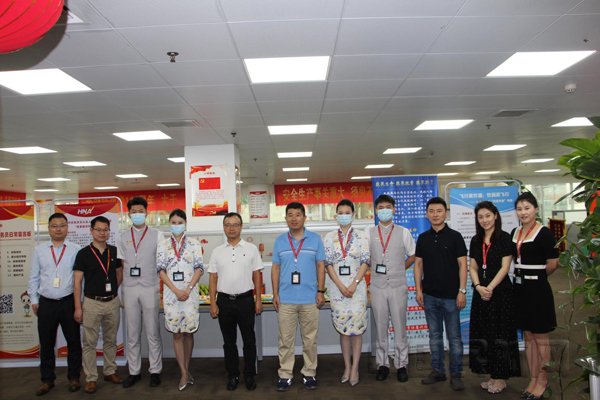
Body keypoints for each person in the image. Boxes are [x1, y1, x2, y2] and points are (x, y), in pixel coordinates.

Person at [272, 202, 326, 391]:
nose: (294, 218)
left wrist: (320, 291)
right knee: (285, 340)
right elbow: (275, 268)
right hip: (286, 299)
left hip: (310, 299)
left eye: (297, 214)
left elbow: (320, 266)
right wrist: (275, 293)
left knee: (310, 340)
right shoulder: (279, 241)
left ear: (304, 218)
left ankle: (309, 372)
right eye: (290, 215)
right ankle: (285, 374)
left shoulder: (315, 240)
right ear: (285, 218)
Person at [415, 197, 468, 391]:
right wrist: (418, 289)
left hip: (451, 297)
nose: (435, 214)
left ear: (446, 213)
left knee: (454, 337)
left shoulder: (455, 236)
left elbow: (463, 265)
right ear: (426, 214)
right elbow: (418, 265)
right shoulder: (423, 238)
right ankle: (438, 371)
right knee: (435, 336)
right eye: (431, 211)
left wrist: (462, 291)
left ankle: (456, 373)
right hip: (429, 295)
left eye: (439, 211)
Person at [468, 201, 521, 394]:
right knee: (485, 334)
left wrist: (489, 288)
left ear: (496, 216)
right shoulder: (476, 240)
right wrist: (478, 287)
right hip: (481, 293)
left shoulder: (505, 238)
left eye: (488, 216)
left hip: (500, 293)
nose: (485, 220)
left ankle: (501, 378)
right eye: (481, 217)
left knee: (500, 334)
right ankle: (492, 374)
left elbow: (505, 267)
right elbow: (473, 267)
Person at [28, 213, 82, 396]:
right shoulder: (39, 250)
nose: (58, 229)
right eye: (54, 225)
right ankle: (47, 379)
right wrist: (34, 300)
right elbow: (34, 277)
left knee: (73, 342)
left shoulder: (76, 249)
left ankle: (74, 377)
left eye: (62, 225)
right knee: (46, 343)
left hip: (69, 302)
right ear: (49, 228)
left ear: (67, 227)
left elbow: (80, 280)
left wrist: (79, 303)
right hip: (46, 303)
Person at [511, 192, 558, 400]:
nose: (523, 213)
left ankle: (543, 380)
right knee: (528, 337)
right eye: (519, 209)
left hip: (538, 290)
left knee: (541, 338)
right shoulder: (515, 232)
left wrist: (537, 278)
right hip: (520, 289)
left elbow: (553, 264)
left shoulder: (544, 233)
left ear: (536, 209)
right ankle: (533, 378)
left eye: (527, 208)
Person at [208, 212, 263, 391]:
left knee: (249, 340)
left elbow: (257, 275)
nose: (231, 228)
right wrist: (213, 303)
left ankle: (249, 375)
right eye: (228, 224)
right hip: (224, 301)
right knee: (229, 342)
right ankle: (232, 375)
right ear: (224, 227)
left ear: (241, 227)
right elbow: (213, 278)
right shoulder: (217, 251)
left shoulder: (251, 249)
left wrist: (258, 300)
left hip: (245, 300)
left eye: (235, 224)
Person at [365, 194, 415, 382]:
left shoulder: (403, 232)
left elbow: (413, 255)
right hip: (377, 286)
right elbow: (365, 257)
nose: (384, 210)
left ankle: (401, 364)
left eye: (388, 207)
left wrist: (400, 268)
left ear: (394, 210)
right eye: (381, 207)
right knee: (381, 327)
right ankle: (382, 364)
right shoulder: (369, 233)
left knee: (400, 326)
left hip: (398, 285)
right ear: (376, 211)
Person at [73, 216, 124, 394]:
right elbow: (77, 282)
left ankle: (110, 371)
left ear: (109, 231)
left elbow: (119, 275)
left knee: (111, 339)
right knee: (89, 342)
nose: (102, 233)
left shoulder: (114, 251)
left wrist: (112, 291)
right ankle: (91, 378)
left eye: (105, 230)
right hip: (91, 302)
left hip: (112, 302)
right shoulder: (83, 253)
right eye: (98, 229)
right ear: (91, 231)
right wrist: (78, 307)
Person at [117, 197, 163, 388]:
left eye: (140, 211)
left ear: (146, 213)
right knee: (133, 332)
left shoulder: (157, 235)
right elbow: (122, 263)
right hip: (130, 287)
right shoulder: (122, 236)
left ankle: (155, 371)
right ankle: (134, 371)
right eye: (134, 212)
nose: (137, 214)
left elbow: (161, 262)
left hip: (150, 286)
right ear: (129, 214)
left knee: (153, 331)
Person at [324, 199, 370, 386]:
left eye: (347, 212)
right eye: (340, 213)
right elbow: (328, 264)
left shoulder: (362, 236)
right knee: (344, 330)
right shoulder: (329, 237)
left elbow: (365, 261)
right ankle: (347, 366)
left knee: (356, 331)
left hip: (357, 290)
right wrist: (340, 286)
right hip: (337, 290)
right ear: (336, 215)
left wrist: (354, 284)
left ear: (353, 214)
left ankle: (356, 367)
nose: (344, 216)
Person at [157, 209, 203, 391]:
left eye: (180, 222)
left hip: (190, 294)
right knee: (177, 333)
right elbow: (160, 270)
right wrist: (176, 290)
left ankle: (187, 367)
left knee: (189, 333)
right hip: (171, 295)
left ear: (185, 224)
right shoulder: (162, 245)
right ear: (169, 224)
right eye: (173, 223)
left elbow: (199, 268)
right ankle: (183, 372)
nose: (176, 226)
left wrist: (188, 289)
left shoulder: (194, 244)